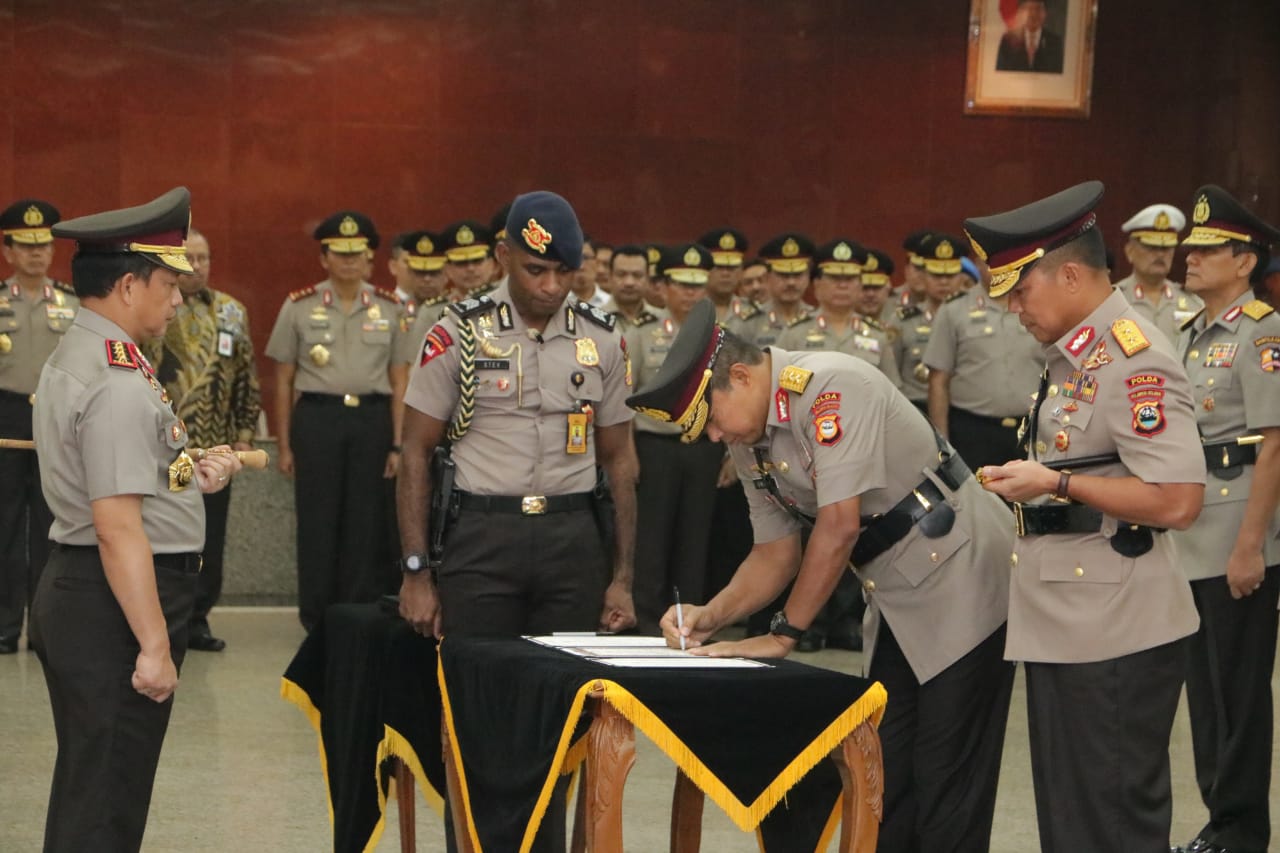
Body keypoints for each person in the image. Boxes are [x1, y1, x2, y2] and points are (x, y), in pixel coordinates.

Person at [636, 298, 1016, 852]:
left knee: (946, 776)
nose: (714, 438)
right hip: (896, 589)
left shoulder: (829, 389)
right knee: (883, 775)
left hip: (962, 573)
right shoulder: (753, 438)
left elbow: (837, 527)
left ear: (740, 377)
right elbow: (774, 553)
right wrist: (707, 617)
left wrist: (783, 632)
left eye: (711, 419)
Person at [971, 180, 1206, 853]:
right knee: (1072, 825)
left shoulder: (1136, 359)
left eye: (1022, 290)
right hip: (1071, 617)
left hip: (1116, 632)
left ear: (1070, 273)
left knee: (1110, 825)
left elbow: (1178, 498)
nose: (1015, 308)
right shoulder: (1076, 356)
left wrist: (1058, 482)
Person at [30, 187, 242, 852]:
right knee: (107, 802)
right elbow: (118, 525)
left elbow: (121, 474)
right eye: (167, 283)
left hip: (88, 590)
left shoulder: (87, 355)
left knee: (93, 786)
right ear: (127, 285)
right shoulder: (117, 380)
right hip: (114, 606)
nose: (177, 298)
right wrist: (153, 643)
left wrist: (187, 470)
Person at [397, 190, 637, 640]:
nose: (551, 286)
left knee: (566, 691)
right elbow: (415, 451)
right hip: (482, 536)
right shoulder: (457, 333)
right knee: (477, 686)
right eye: (536, 270)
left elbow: (619, 459)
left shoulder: (603, 339)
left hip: (572, 538)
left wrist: (622, 579)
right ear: (504, 256)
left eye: (564, 272)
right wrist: (416, 573)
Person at [1167, 185, 1280, 853]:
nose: (1191, 257)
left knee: (1238, 693)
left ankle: (1240, 829)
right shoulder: (1192, 333)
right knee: (1205, 694)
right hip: (1193, 531)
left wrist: (1251, 545)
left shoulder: (1263, 329)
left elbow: (1274, 443)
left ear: (1244, 261)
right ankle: (1219, 820)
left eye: (1208, 249)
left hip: (1237, 530)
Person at [265, 210, 411, 631]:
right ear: (324, 258)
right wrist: (286, 444)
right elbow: (284, 378)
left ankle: (355, 615)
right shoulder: (298, 306)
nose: (348, 261)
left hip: (372, 420)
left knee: (365, 523)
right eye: (339, 253)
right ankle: (316, 616)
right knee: (317, 519)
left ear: (369, 259)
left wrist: (398, 444)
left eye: (357, 254)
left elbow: (399, 379)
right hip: (318, 419)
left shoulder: (390, 307)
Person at [142, 228, 260, 652]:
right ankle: (161, 613)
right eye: (188, 258)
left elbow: (246, 376)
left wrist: (245, 434)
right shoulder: (154, 308)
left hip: (216, 452)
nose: (197, 266)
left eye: (204, 258)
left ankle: (198, 618)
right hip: (166, 450)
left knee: (210, 534)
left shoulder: (231, 311)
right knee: (170, 528)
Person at [626, 243, 722, 631]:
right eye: (681, 284)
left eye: (698, 285)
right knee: (651, 538)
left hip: (704, 447)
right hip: (655, 447)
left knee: (695, 539)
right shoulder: (642, 333)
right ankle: (646, 621)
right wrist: (628, 452)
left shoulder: (718, 337)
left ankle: (688, 622)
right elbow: (622, 399)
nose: (691, 293)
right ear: (662, 288)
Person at [0, 198, 77, 654]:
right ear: (9, 251)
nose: (36, 254)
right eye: (25, 246)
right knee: (5, 524)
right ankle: (6, 625)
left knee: (52, 526)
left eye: (44, 245)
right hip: (5, 416)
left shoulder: (70, 301)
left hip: (54, 417)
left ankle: (47, 627)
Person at [924, 252, 1041, 470]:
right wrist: (942, 443)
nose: (1000, 270)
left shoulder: (1037, 305)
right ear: (977, 264)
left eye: (1007, 263)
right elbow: (938, 381)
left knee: (1031, 501)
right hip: (973, 432)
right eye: (992, 264)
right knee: (976, 501)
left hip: (1032, 429)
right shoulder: (953, 310)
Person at [779, 238, 902, 387]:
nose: (842, 285)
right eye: (834, 278)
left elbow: (891, 391)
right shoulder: (795, 333)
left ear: (860, 285)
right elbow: (781, 385)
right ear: (817, 284)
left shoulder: (876, 335)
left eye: (850, 279)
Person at [895, 232, 968, 414]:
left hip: (964, 412)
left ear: (961, 277)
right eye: (936, 275)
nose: (943, 282)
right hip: (914, 410)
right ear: (923, 276)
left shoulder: (973, 319)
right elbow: (892, 376)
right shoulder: (903, 320)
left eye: (950, 275)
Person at [1114, 203, 1203, 344]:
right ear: (1130, 251)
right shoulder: (1115, 300)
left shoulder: (1194, 303)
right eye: (1151, 246)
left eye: (1166, 247)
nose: (1160, 254)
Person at [726, 232, 814, 346]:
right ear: (768, 278)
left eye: (798, 275)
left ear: (808, 277)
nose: (791, 282)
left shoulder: (817, 321)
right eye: (783, 275)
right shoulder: (750, 323)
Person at [995, 0, 1065, 73]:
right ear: (1020, 12)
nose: (1033, 14)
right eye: (1029, 9)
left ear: (1045, 13)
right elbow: (1000, 74)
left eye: (1038, 9)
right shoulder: (1007, 40)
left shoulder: (1055, 42)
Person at [697, 227, 749, 323]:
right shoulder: (688, 310)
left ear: (741, 270)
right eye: (719, 267)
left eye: (732, 267)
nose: (725, 273)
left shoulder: (754, 314)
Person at [440, 219, 497, 301]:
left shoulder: (509, 300)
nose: (470, 268)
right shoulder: (434, 311)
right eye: (461, 263)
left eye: (477, 261)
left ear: (492, 264)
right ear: (447, 269)